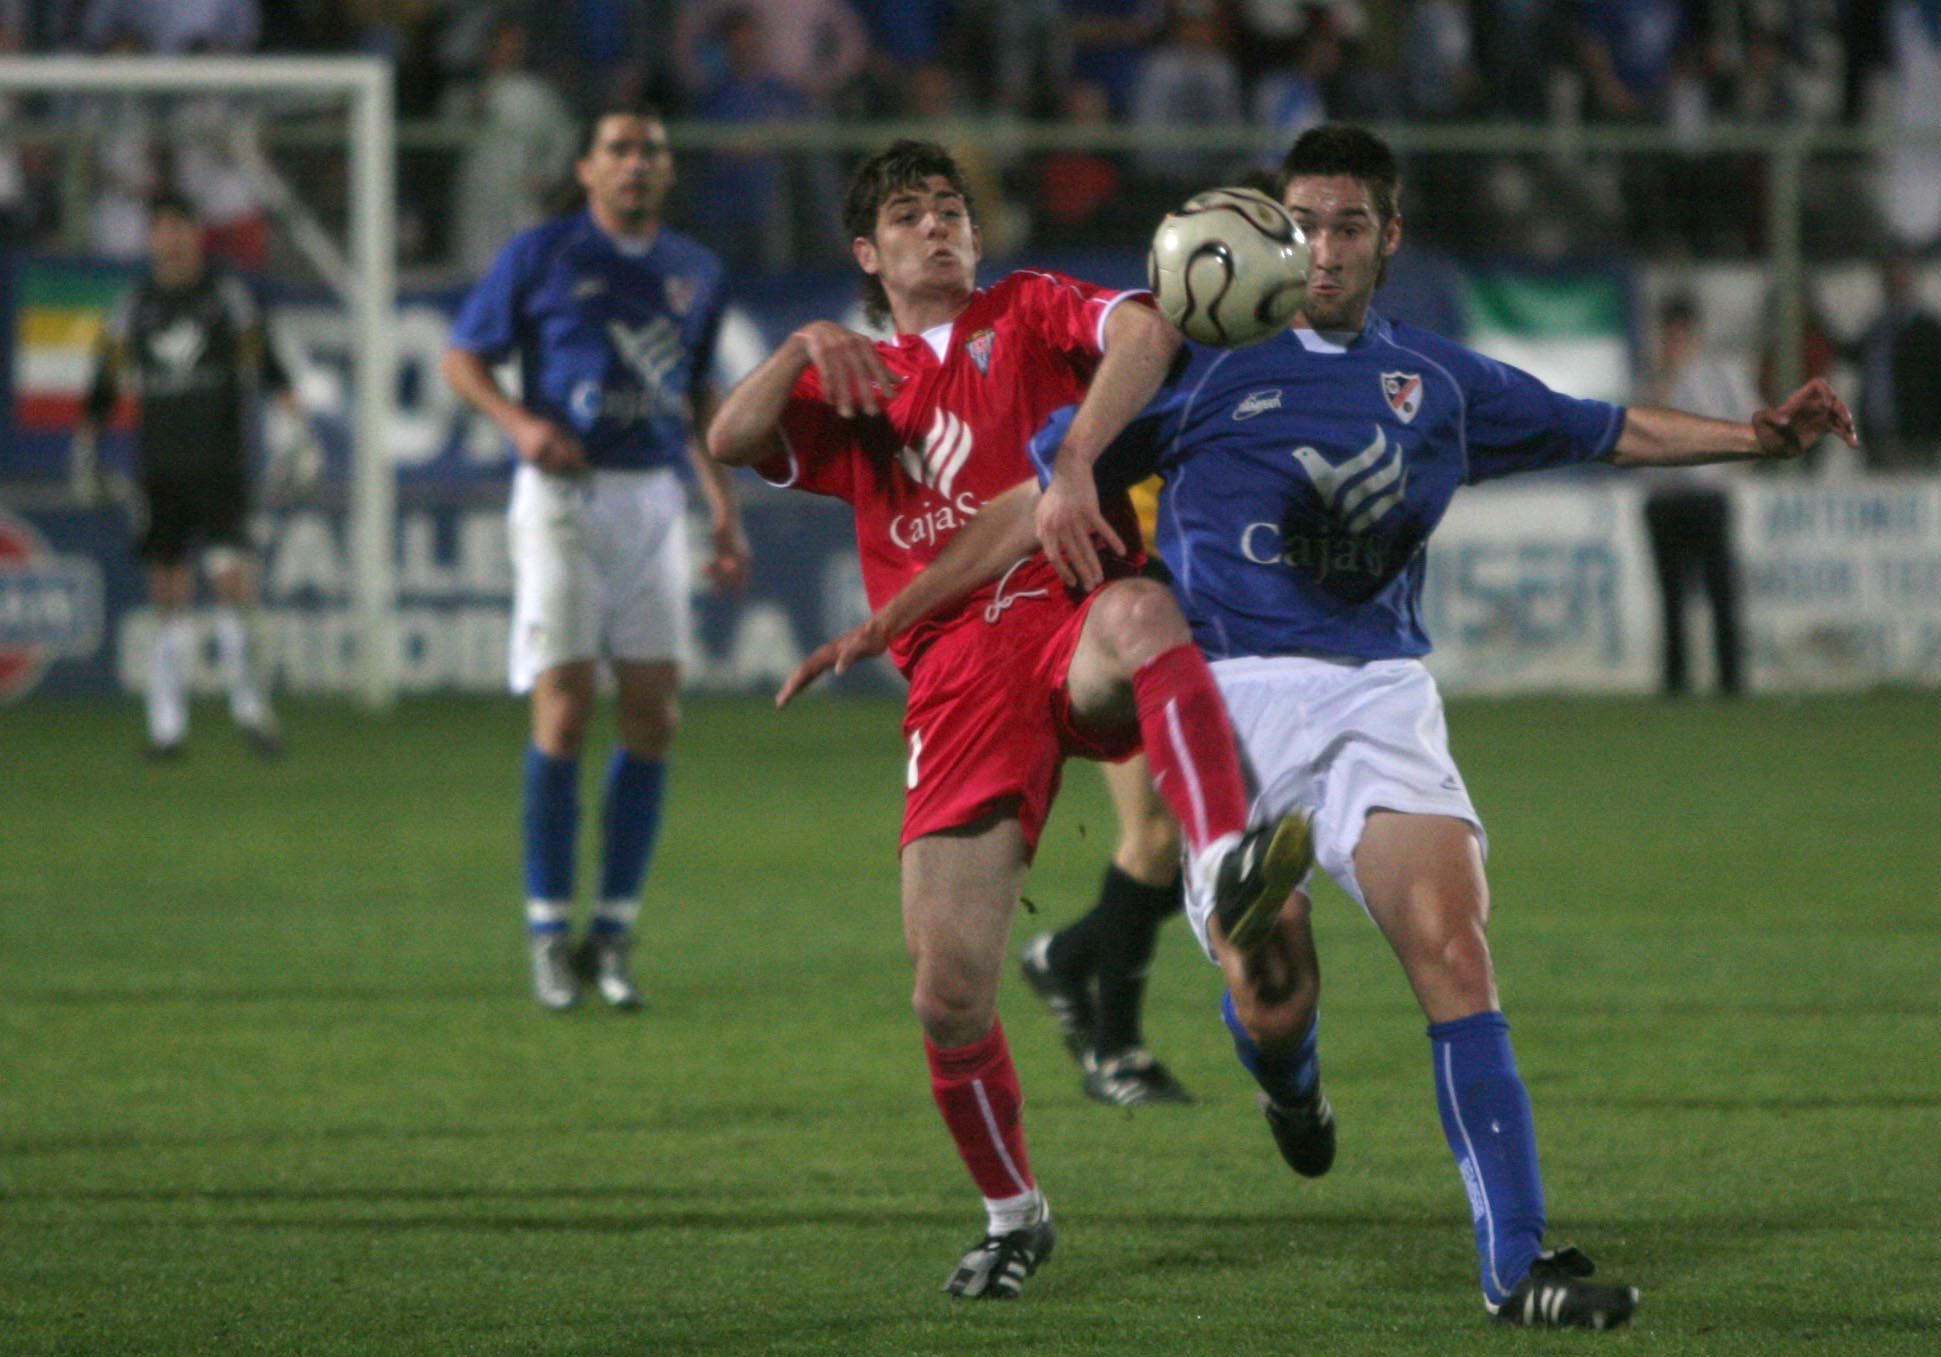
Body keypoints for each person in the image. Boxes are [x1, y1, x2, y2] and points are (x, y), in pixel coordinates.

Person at [794, 125, 1858, 1328]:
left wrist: (1755, 439)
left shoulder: (1440, 382)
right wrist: (901, 616)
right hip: (1226, 700)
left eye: (1349, 223)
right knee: (1276, 991)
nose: (1324, 246)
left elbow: (1600, 427)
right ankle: (1289, 1084)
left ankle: (1517, 1269)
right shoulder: (1196, 367)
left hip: (1376, 695)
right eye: (1301, 223)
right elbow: (1028, 500)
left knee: (1456, 954)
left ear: (1389, 237)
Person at [706, 139, 1309, 1300]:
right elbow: (730, 441)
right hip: (953, 679)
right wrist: (794, 350)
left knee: (1138, 609)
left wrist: (1077, 455)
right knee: (946, 991)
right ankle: (1013, 1211)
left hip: (1062, 614)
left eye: (951, 210)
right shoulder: (855, 381)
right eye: (908, 215)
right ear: (867, 255)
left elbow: (1147, 328)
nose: (937, 226)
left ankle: (1230, 840)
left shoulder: (1028, 310)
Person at [441, 106, 752, 1014]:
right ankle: (548, 931)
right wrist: (520, 422)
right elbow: (464, 357)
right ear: (586, 169)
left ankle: (611, 933)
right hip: (564, 500)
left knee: (653, 716)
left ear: (666, 169)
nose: (635, 164)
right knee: (567, 705)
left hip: (653, 497)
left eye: (651, 150)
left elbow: (698, 395)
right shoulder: (542, 255)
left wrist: (723, 508)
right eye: (617, 150)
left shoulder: (694, 270)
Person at [73, 190, 318, 762]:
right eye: (161, 227)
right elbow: (105, 382)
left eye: (181, 226)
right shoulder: (133, 308)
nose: (172, 237)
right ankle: (168, 727)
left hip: (221, 465)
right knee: (168, 591)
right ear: (150, 237)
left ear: (197, 234)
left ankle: (252, 712)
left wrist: (296, 428)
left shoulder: (226, 299)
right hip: (159, 467)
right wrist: (87, 445)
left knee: (233, 582)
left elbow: (268, 362)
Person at [1019, 472, 1194, 1108]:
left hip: (1214, 590)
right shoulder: (1114, 384)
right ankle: (1116, 1052)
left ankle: (1066, 956)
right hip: (1128, 594)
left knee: (1202, 856)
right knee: (1155, 837)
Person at [1640, 291, 1762, 696]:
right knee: (1671, 595)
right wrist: (1666, 377)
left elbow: (1752, 419)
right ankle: (1676, 680)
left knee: (1721, 591)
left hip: (1707, 497)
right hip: (1664, 499)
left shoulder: (1718, 375)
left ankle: (1731, 679)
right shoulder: (1652, 378)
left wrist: (1733, 467)